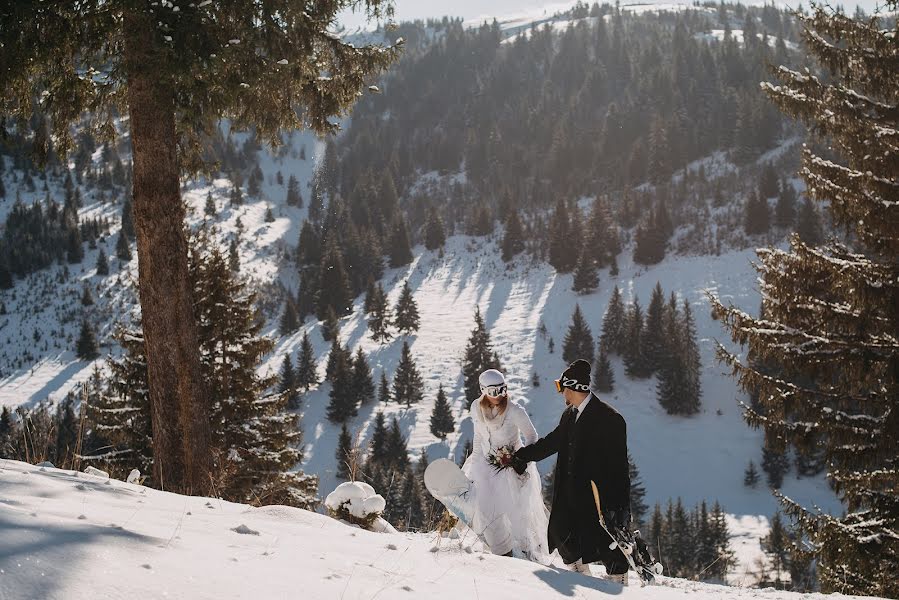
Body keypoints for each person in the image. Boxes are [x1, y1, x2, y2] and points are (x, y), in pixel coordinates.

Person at [513, 359, 632, 584]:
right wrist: (523, 456)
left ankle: (619, 582)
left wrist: (621, 507)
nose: (561, 393)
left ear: (573, 387)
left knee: (605, 541)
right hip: (569, 492)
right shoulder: (570, 415)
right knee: (560, 532)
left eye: (561, 387)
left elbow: (620, 468)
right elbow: (552, 442)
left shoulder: (610, 419)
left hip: (597, 497)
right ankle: (580, 579)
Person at [461, 369, 550, 563]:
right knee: (486, 510)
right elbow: (478, 437)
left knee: (516, 514)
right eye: (493, 391)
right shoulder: (476, 407)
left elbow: (532, 436)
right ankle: (502, 553)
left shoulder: (514, 410)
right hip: (487, 466)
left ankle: (527, 553)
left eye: (503, 389)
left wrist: (521, 458)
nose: (499, 395)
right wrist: (473, 466)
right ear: (483, 390)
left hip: (511, 468)